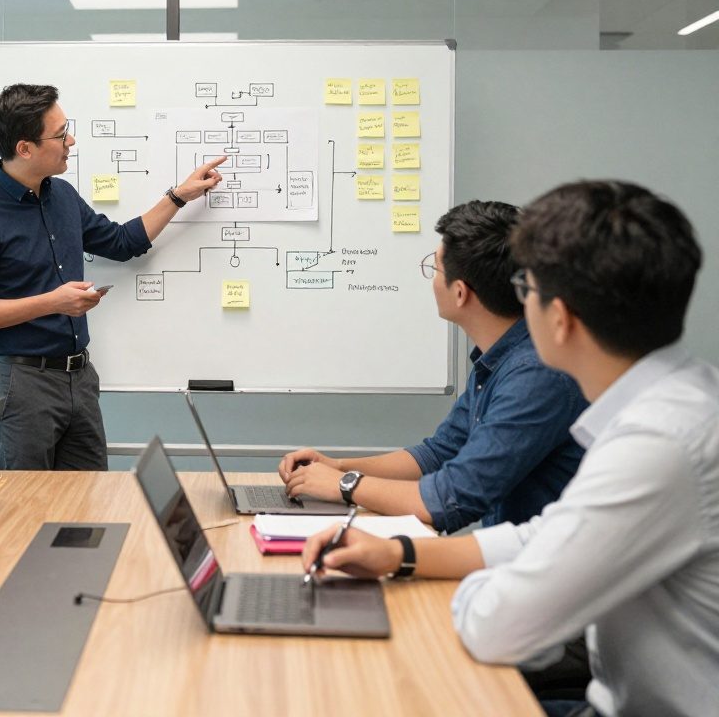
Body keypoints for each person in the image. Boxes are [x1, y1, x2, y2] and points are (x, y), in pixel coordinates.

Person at [302, 180, 718, 717]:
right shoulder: (676, 401)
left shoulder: (657, 443)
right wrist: (402, 555)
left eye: (528, 287)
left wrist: (467, 583)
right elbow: (547, 535)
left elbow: (500, 627)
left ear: (560, 317)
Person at [0, 83, 225, 470]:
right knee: (25, 511)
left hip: (79, 378)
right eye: (60, 134)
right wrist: (54, 302)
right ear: (25, 148)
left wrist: (179, 196)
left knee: (89, 502)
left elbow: (123, 241)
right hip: (21, 384)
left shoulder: (61, 196)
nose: (71, 141)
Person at [278, 200, 587, 533]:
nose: (432, 279)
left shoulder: (535, 375)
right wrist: (337, 467)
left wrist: (346, 485)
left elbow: (452, 500)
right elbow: (438, 454)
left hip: (538, 570)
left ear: (459, 293)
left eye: (435, 269)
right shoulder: (502, 357)